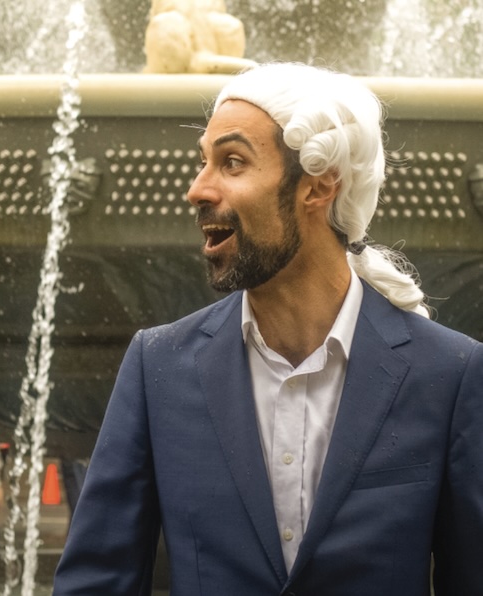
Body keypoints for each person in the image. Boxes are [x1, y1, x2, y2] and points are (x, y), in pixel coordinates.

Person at [53, 62, 483, 594]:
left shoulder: (449, 373)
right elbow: (95, 582)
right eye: (203, 162)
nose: (197, 189)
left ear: (319, 187)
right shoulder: (157, 366)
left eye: (232, 162)